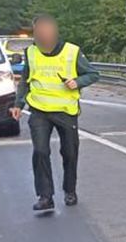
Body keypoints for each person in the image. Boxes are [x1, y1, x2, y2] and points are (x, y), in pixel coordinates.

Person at [8, 15, 100, 212]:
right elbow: (25, 80)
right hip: (39, 110)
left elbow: (93, 74)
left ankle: (70, 190)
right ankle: (45, 196)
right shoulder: (31, 53)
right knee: (40, 151)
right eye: (39, 31)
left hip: (66, 111)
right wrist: (18, 103)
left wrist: (77, 82)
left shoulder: (71, 51)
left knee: (69, 152)